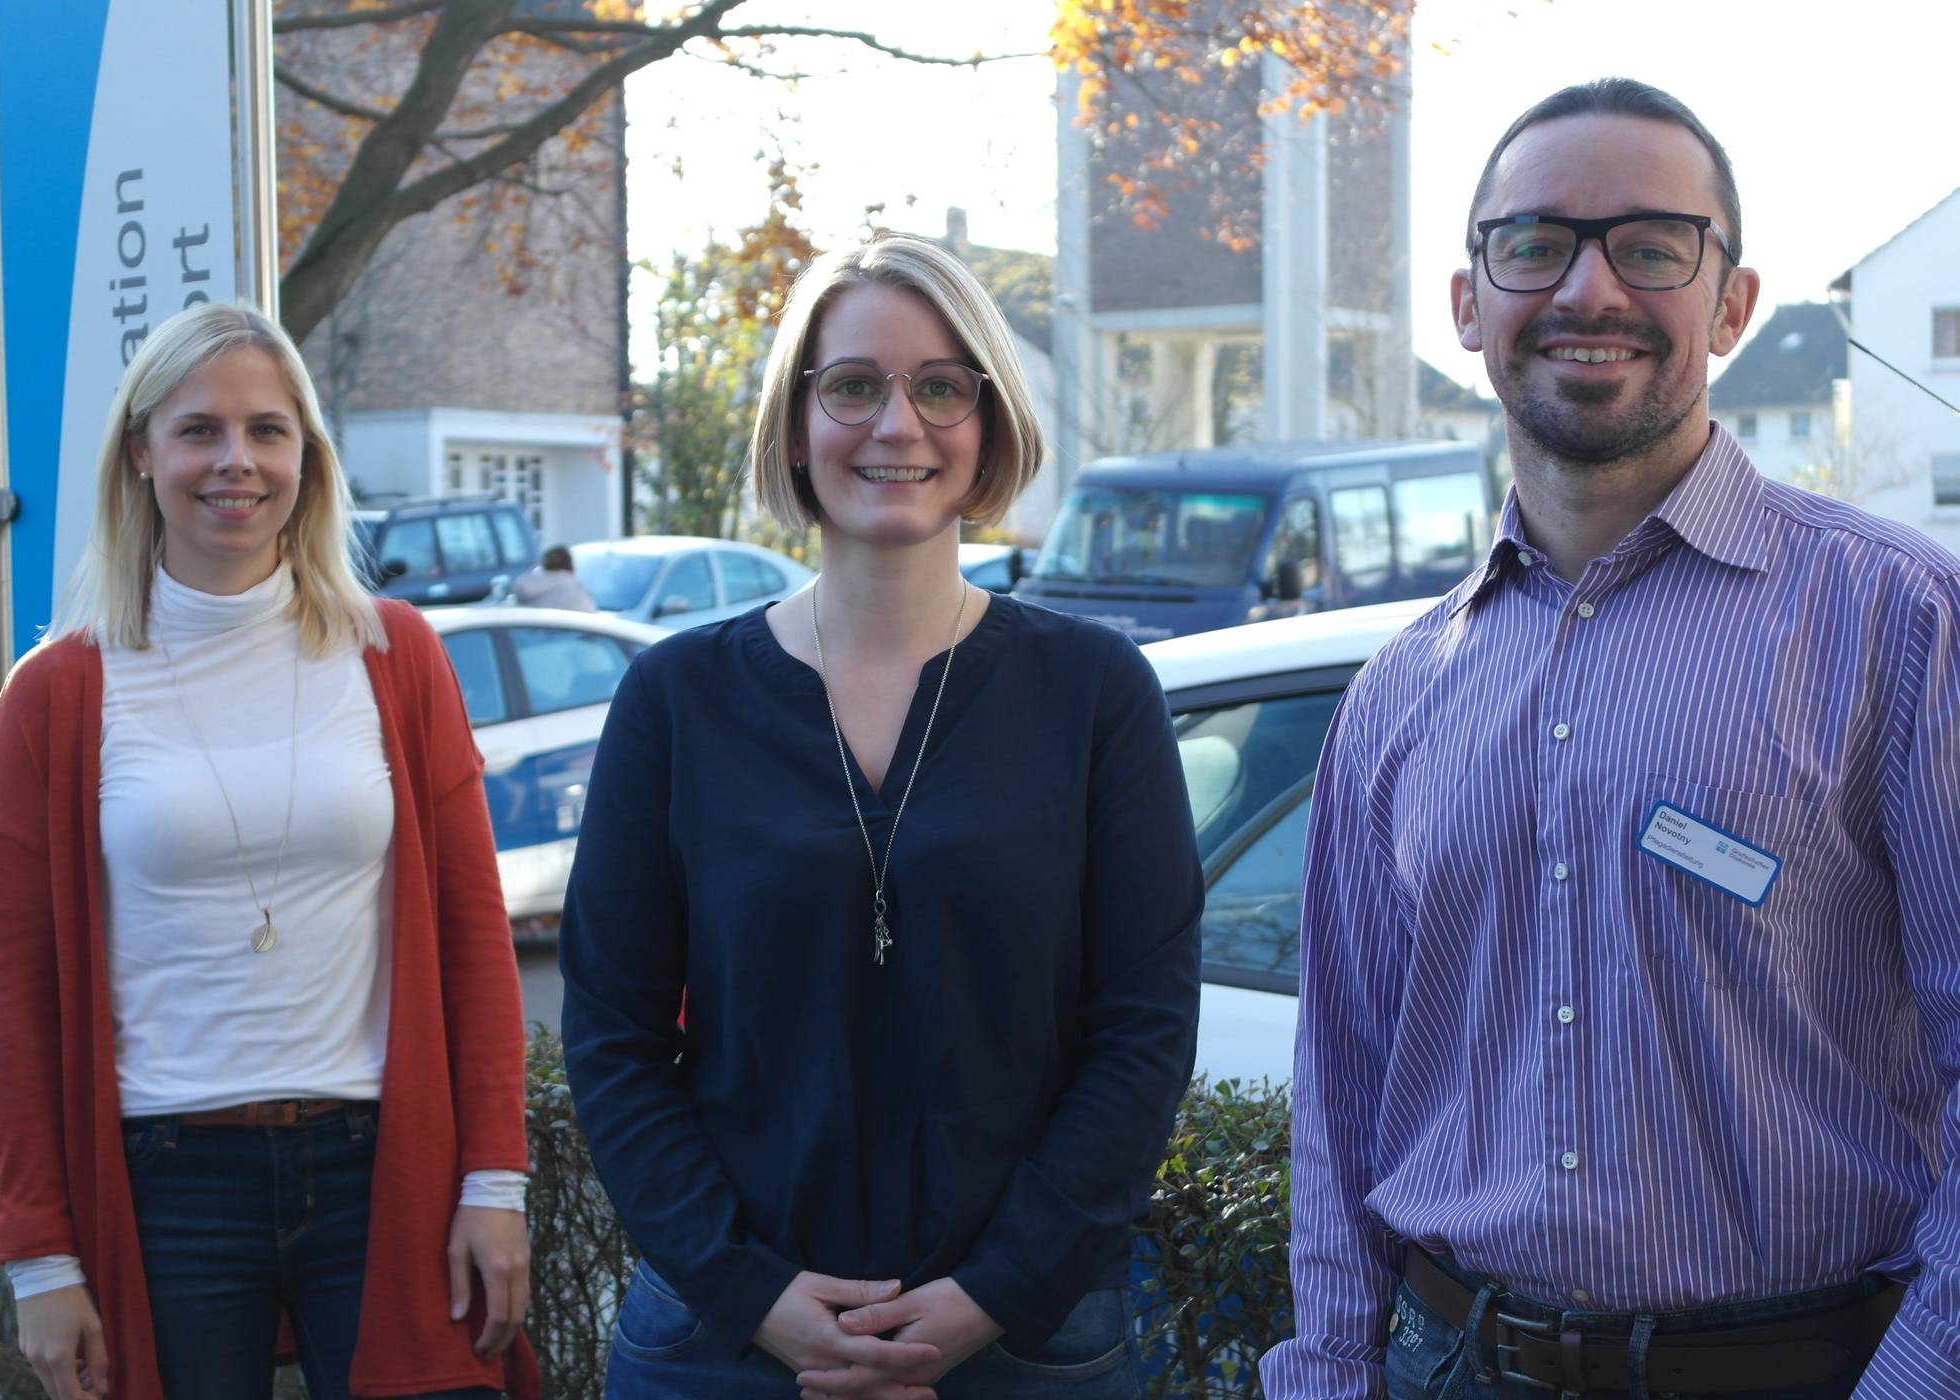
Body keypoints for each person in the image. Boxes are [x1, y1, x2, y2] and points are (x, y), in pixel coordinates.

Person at [1262, 78, 1960, 1400]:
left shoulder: (1899, 621)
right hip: (1449, 1365)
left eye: (1650, 246)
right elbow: (1342, 1095)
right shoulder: (1397, 695)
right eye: (1536, 243)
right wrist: (1326, 1374)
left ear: (1732, 305)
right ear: (1469, 303)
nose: (1590, 290)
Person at [559, 234, 1203, 1399]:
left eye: (941, 387)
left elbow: (1142, 1031)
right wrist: (751, 1291)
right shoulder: (676, 699)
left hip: (1031, 1341)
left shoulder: (1095, 691)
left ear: (987, 424)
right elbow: (612, 1036)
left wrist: (993, 1293)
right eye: (853, 384)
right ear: (794, 423)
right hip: (725, 1343)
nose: (897, 424)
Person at [0, 302, 537, 1400]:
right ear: (141, 454)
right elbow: (23, 1004)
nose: (236, 459)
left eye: (267, 429)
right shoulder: (56, 693)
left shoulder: (395, 655)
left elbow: (475, 941)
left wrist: (495, 1180)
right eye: (199, 429)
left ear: (306, 457)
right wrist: (39, 1255)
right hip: (165, 1187)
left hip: (387, 1170)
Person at [510, 544, 598, 611]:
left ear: (544, 564)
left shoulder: (523, 584)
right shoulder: (574, 590)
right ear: (570, 565)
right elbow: (589, 613)